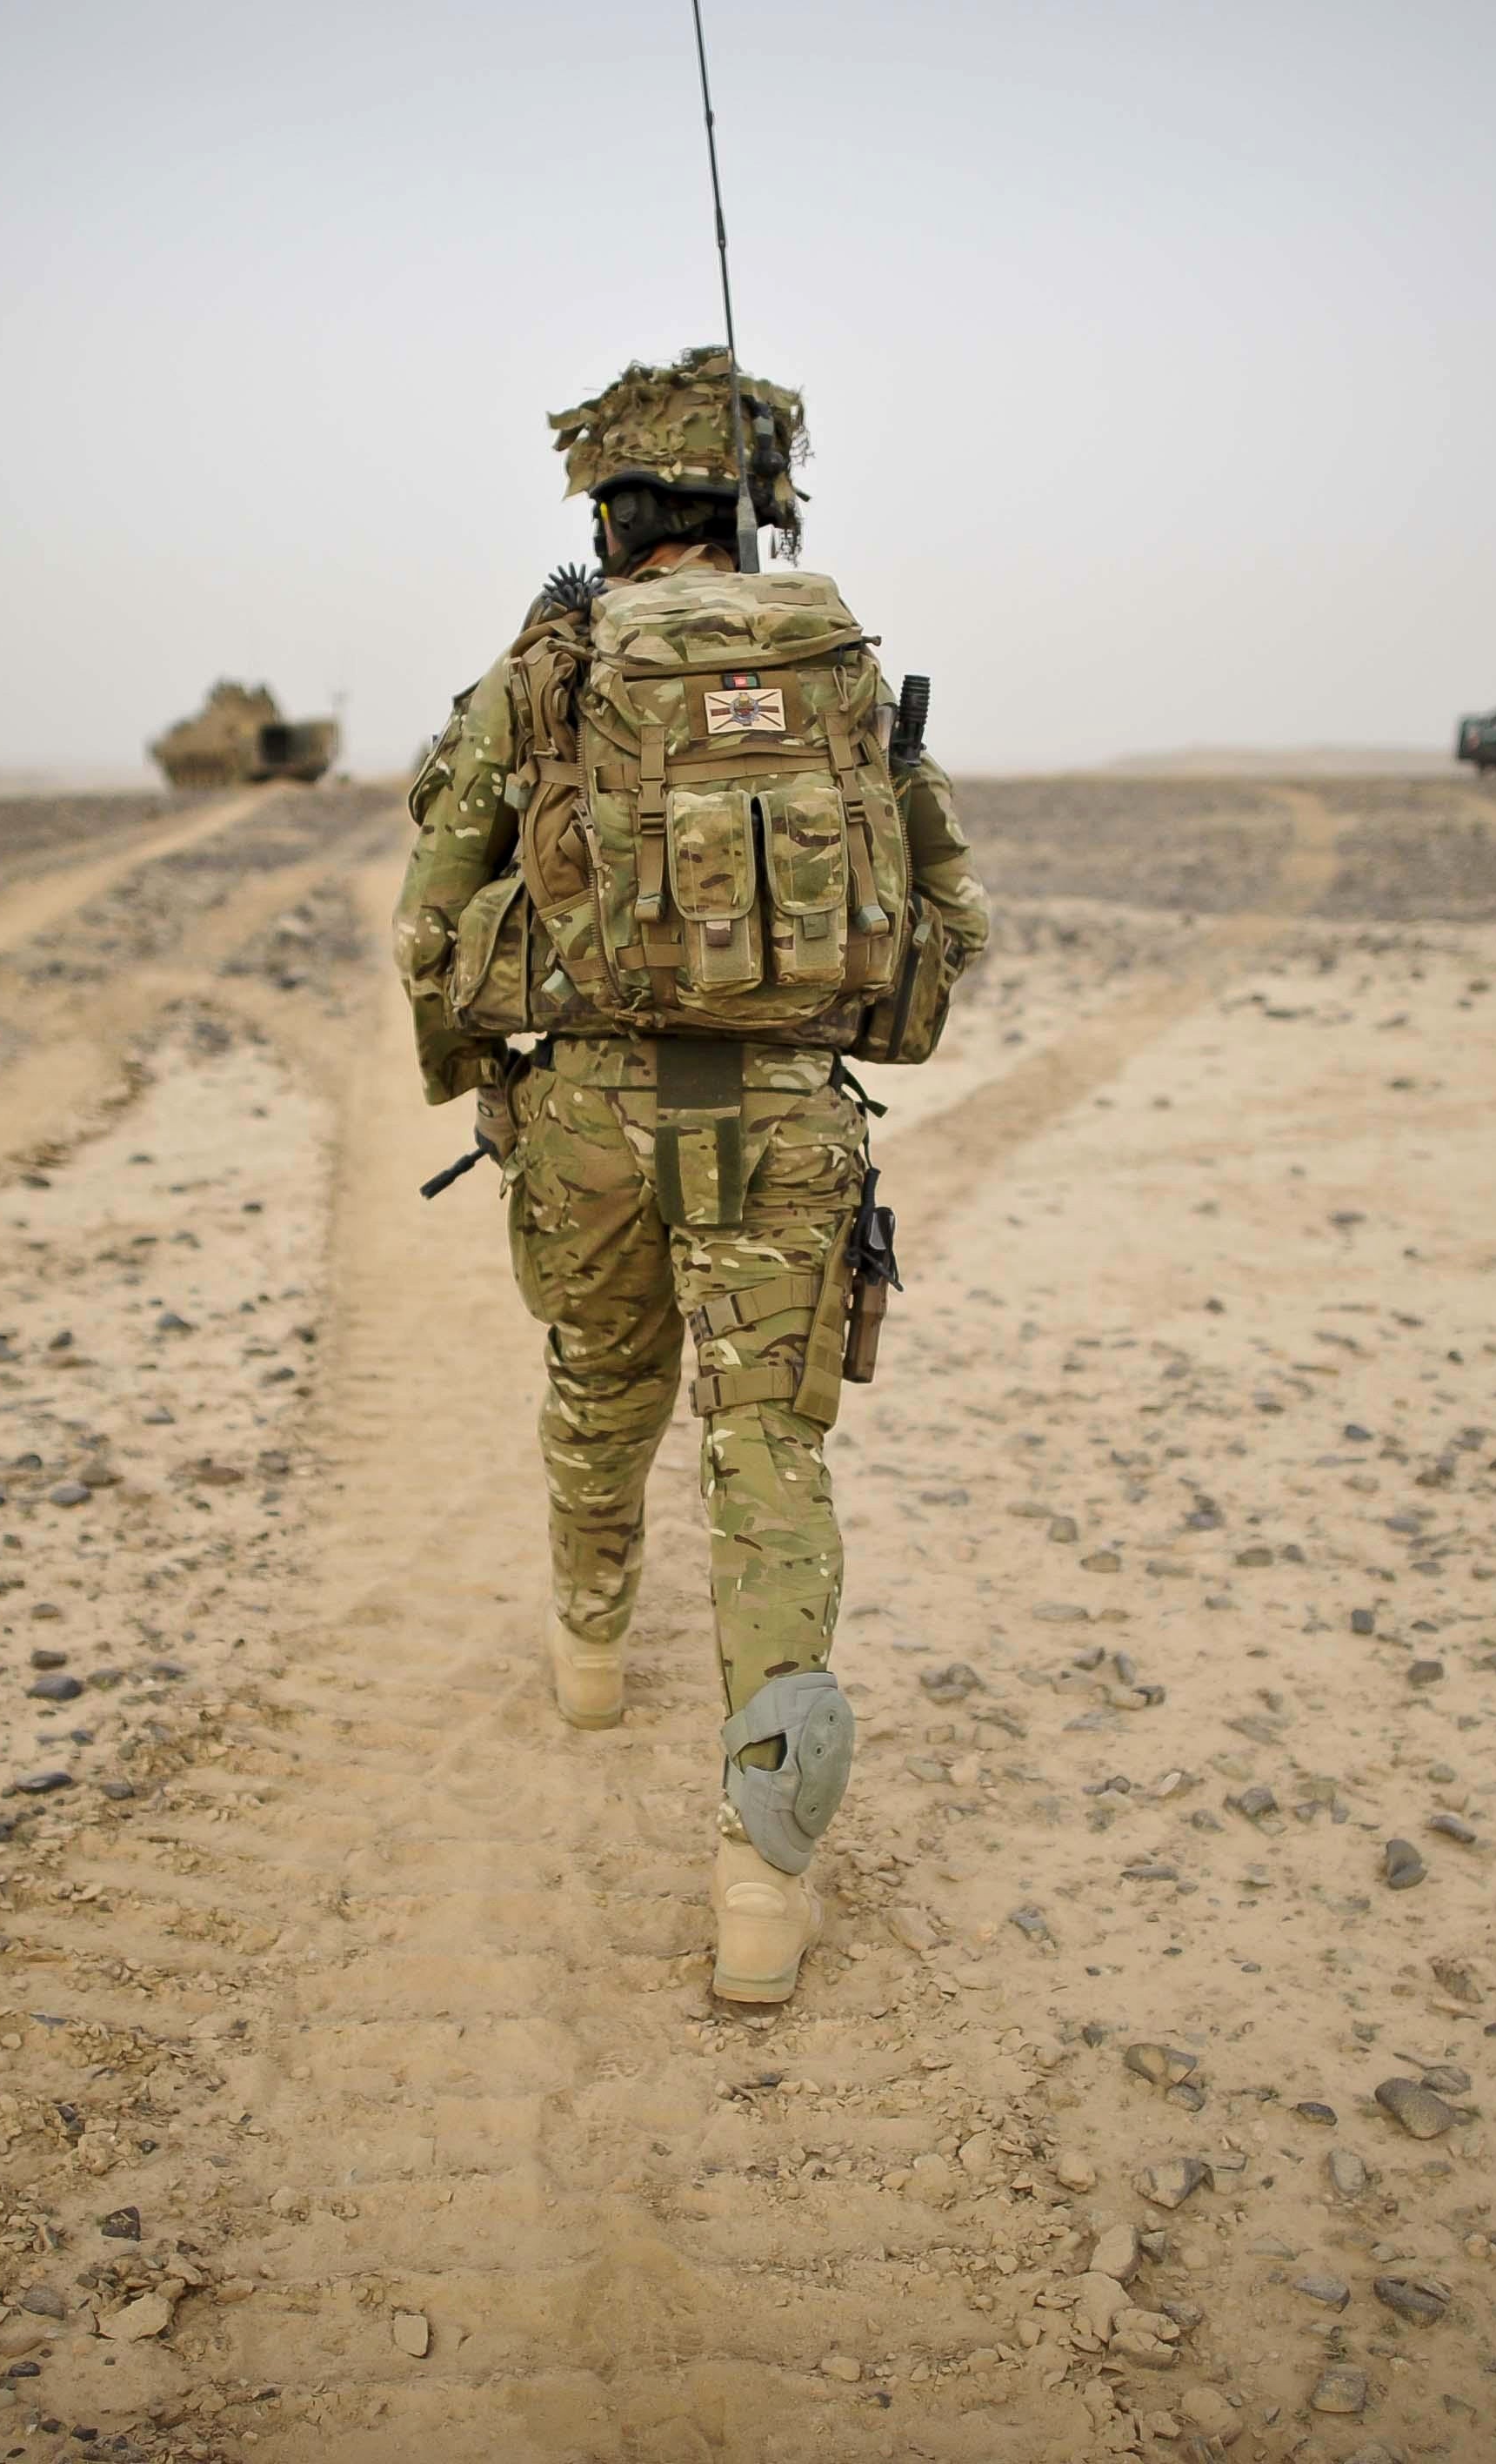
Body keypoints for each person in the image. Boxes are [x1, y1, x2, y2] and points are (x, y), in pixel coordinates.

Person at [393, 347, 988, 2007]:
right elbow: (950, 916)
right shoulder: (839, 666)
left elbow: (428, 926)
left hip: (585, 1121)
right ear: (754, 501)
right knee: (769, 1454)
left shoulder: (547, 673)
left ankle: (591, 1652)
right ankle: (761, 1880)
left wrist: (492, 1093)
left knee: (600, 1382)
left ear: (612, 503)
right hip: (792, 1119)